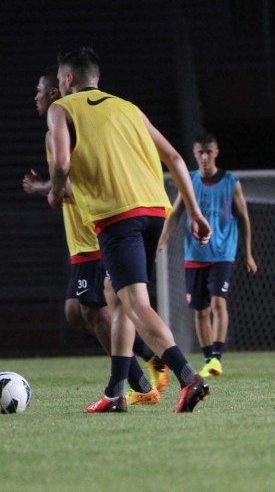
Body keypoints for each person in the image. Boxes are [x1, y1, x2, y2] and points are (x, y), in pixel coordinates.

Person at [47, 47, 211, 413]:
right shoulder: (128, 108)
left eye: (59, 79)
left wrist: (55, 192)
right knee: (116, 296)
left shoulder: (62, 109)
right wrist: (194, 212)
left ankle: (188, 377)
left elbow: (61, 163)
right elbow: (176, 158)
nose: (59, 85)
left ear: (69, 78)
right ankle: (115, 393)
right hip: (153, 210)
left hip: (117, 216)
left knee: (135, 303)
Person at [24, 67, 168, 405]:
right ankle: (147, 365)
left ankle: (144, 377)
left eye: (40, 91)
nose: (36, 97)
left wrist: (44, 188)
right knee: (78, 313)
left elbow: (75, 184)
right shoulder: (55, 131)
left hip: (94, 234)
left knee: (98, 311)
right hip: (81, 237)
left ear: (56, 93)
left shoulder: (64, 128)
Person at [158, 132, 257, 377]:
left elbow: (244, 218)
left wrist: (248, 253)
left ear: (216, 153)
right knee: (201, 311)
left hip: (222, 254)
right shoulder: (190, 180)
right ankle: (208, 359)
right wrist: (161, 242)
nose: (205, 157)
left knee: (218, 303)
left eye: (209, 152)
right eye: (200, 152)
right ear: (195, 154)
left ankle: (216, 358)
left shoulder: (231, 182)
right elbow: (175, 214)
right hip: (195, 255)